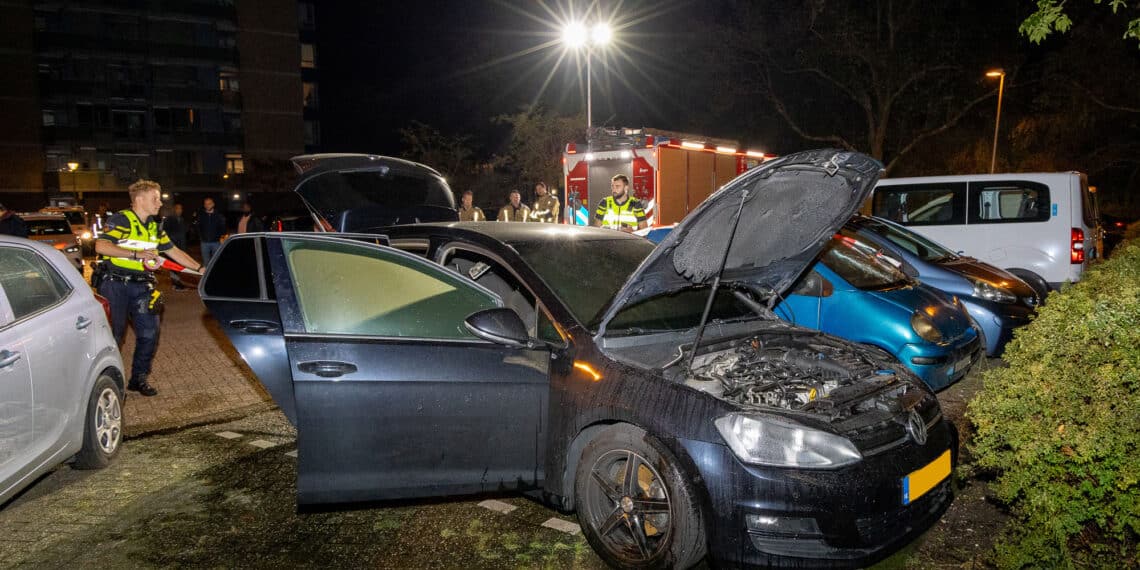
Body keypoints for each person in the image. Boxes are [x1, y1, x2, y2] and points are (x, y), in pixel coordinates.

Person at [94, 180, 203, 397]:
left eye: (159, 198)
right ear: (139, 200)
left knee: (149, 334)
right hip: (115, 285)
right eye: (155, 198)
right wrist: (136, 255)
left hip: (142, 287)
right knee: (114, 337)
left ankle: (138, 378)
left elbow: (174, 252)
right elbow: (101, 246)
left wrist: (200, 268)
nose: (159, 202)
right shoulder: (121, 220)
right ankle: (108, 384)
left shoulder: (154, 227)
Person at [162, 203, 189, 290]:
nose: (179, 210)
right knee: (173, 266)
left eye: (181, 209)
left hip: (181, 247)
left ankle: (178, 283)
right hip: (172, 248)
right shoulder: (169, 219)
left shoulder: (182, 219)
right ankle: (176, 285)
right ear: (174, 209)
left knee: (179, 266)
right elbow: (165, 233)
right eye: (177, 208)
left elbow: (184, 233)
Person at [196, 197, 227, 265]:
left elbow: (223, 229)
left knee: (216, 261)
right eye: (206, 204)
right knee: (206, 262)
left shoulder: (219, 216)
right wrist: (201, 237)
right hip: (204, 243)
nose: (207, 206)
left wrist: (222, 238)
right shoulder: (201, 216)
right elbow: (198, 227)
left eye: (209, 204)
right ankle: (208, 275)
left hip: (216, 242)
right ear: (204, 205)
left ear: (213, 204)